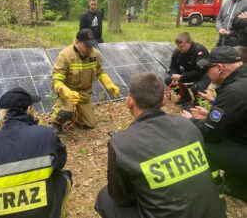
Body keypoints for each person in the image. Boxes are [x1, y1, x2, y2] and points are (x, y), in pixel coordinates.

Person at [95, 73, 226, 218]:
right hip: (213, 212)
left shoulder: (120, 143)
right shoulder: (187, 124)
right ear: (163, 101)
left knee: (105, 198)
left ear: (129, 102)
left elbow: (121, 198)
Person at [0, 87, 71, 218]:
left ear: (3, 114)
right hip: (36, 212)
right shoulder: (44, 134)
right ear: (29, 110)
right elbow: (60, 162)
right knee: (63, 177)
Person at [182, 46, 247, 202]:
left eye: (207, 68)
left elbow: (210, 133)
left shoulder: (234, 91)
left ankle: (213, 187)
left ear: (219, 68)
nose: (205, 73)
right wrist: (210, 116)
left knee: (198, 143)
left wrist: (191, 120)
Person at [51, 28, 119, 134]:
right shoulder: (65, 55)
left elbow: (100, 72)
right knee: (65, 112)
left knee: (90, 124)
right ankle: (57, 122)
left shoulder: (95, 54)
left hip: (84, 94)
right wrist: (66, 92)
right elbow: (56, 81)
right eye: (87, 46)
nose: (90, 48)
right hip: (69, 94)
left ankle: (76, 114)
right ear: (77, 42)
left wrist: (109, 84)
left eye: (92, 45)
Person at [166, 32, 210, 105]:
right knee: (168, 80)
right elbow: (173, 67)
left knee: (196, 88)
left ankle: (198, 103)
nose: (179, 49)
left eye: (182, 46)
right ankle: (185, 97)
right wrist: (174, 77)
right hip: (189, 71)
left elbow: (201, 71)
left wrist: (182, 77)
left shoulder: (200, 51)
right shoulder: (177, 52)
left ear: (189, 42)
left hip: (204, 73)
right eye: (178, 46)